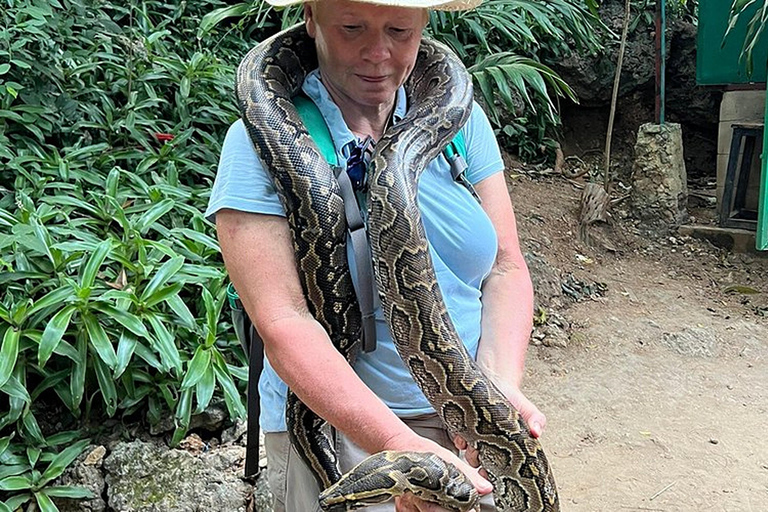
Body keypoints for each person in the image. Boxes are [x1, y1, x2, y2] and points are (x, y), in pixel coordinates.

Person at [206, 0, 546, 509]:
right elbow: (284, 322)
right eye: (351, 28)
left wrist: (493, 393)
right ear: (310, 20)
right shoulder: (258, 142)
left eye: (400, 30)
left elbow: (505, 267)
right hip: (335, 422)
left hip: (462, 421)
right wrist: (399, 447)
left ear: (425, 29)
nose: (378, 52)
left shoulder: (459, 123)